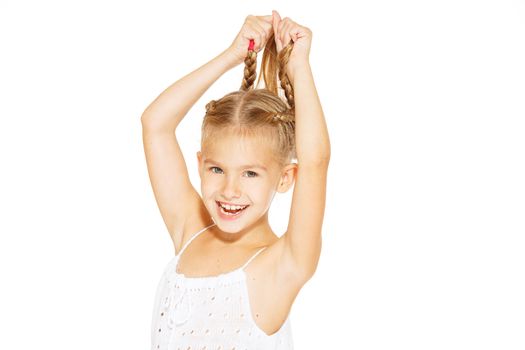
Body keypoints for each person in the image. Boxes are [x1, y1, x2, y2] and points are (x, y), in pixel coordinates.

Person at [141, 10, 330, 350]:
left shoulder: (282, 264)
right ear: (199, 165)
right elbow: (155, 123)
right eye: (217, 169)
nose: (230, 189)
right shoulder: (190, 231)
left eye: (250, 173)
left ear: (286, 178)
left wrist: (299, 67)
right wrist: (231, 56)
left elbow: (316, 161)